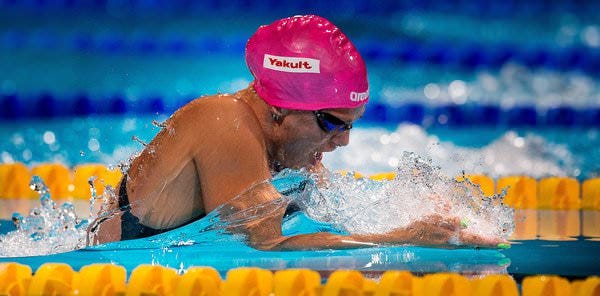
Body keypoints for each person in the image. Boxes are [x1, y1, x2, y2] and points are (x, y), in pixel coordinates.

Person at [90, 15, 505, 250]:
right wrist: (405, 239)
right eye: (331, 123)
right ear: (280, 109)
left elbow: (332, 220)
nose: (342, 141)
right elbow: (267, 250)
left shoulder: (287, 153)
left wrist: (421, 216)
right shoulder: (224, 122)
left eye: (350, 125)